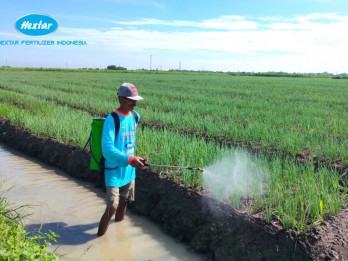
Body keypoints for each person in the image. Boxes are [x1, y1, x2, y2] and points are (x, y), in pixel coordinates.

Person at [97, 82, 146, 237]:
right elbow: (107, 149)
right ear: (121, 99)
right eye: (131, 100)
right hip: (113, 170)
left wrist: (135, 158)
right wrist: (129, 158)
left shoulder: (135, 117)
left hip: (129, 170)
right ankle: (98, 239)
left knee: (124, 203)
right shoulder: (112, 119)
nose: (135, 103)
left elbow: (129, 142)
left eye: (136, 100)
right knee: (112, 207)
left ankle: (119, 235)